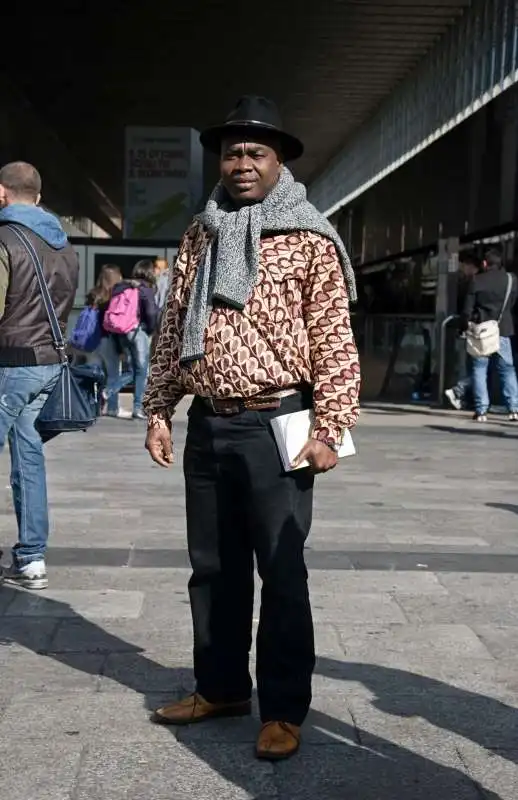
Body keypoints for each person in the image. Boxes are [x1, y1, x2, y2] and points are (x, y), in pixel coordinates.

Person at [143, 96, 360, 760]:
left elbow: (334, 342)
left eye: (255, 153)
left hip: (280, 422)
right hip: (211, 426)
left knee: (283, 570)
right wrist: (158, 409)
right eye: (232, 152)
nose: (241, 163)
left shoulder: (310, 237)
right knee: (212, 569)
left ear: (280, 162)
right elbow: (176, 325)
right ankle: (221, 687)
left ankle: (285, 708)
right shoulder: (200, 232)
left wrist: (332, 427)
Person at [0, 161, 79, 590]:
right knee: (28, 458)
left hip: (10, 363)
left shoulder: (5, 238)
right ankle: (31, 559)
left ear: (1, 193)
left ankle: (30, 557)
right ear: (39, 195)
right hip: (48, 362)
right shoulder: (63, 244)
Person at [462, 247, 518, 422]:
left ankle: (481, 411)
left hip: (482, 331)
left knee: (480, 369)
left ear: (485, 264)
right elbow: (512, 303)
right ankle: (514, 409)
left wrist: (465, 325)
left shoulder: (476, 281)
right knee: (507, 370)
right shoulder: (511, 280)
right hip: (503, 329)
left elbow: (467, 310)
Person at [104, 258, 158, 419]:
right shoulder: (145, 289)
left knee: (132, 370)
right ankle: (138, 408)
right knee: (142, 371)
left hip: (120, 331)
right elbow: (150, 313)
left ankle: (109, 390)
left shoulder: (121, 286)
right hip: (137, 331)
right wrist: (149, 329)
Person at [444, 250, 482, 410]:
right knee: (476, 366)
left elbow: (466, 308)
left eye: (464, 265)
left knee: (471, 366)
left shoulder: (471, 283)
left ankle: (460, 392)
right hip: (473, 328)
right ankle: (460, 392)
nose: (462, 269)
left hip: (469, 328)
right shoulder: (471, 282)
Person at [85, 264, 124, 417]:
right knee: (113, 374)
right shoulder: (114, 295)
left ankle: (94, 407)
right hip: (108, 339)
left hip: (92, 340)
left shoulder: (93, 294)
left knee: (96, 374)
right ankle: (113, 408)